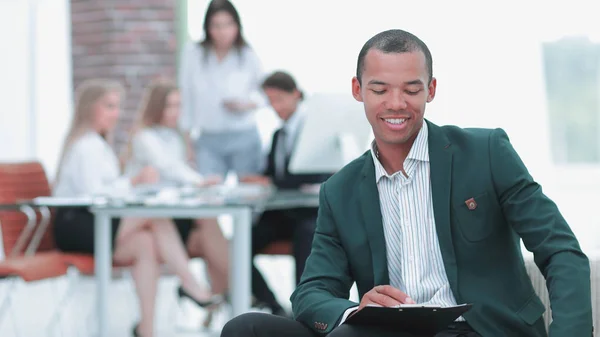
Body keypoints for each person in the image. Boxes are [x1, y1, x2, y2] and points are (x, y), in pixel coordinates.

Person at [220, 29, 593, 337]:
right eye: (380, 90)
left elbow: (560, 250)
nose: (395, 104)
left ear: (431, 89)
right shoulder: (341, 190)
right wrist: (355, 311)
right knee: (246, 329)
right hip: (385, 332)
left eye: (411, 90)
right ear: (357, 89)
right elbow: (312, 293)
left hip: (480, 330)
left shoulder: (486, 152)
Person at [53, 79, 222, 337]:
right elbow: (94, 193)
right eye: (109, 107)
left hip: (101, 221)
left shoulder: (101, 145)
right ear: (89, 109)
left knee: (147, 245)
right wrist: (135, 181)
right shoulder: (85, 147)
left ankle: (147, 330)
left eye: (118, 107)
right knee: (154, 216)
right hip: (77, 225)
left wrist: (133, 184)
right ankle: (192, 286)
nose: (116, 114)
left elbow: (111, 190)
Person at [124, 78, 230, 298]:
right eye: (170, 105)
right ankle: (237, 292)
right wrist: (198, 181)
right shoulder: (144, 137)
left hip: (175, 216)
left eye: (179, 105)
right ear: (157, 107)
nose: (175, 111)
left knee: (209, 224)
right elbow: (168, 167)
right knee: (207, 229)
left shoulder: (175, 137)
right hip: (153, 222)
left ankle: (226, 296)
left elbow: (179, 172)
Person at [240, 71, 331, 316]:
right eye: (269, 101)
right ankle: (274, 307)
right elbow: (272, 172)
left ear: (296, 95)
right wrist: (258, 179)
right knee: (240, 243)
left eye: (279, 99)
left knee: (307, 235)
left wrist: (272, 180)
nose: (274, 107)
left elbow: (313, 173)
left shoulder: (315, 129)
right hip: (282, 213)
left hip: (309, 213)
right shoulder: (278, 135)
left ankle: (304, 310)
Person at [179, 0, 265, 177]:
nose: (222, 32)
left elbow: (265, 95)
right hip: (208, 138)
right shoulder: (193, 54)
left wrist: (246, 105)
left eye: (227, 25)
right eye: (216, 26)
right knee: (210, 193)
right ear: (208, 28)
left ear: (236, 26)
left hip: (244, 135)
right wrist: (187, 143)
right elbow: (186, 98)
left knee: (247, 192)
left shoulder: (248, 55)